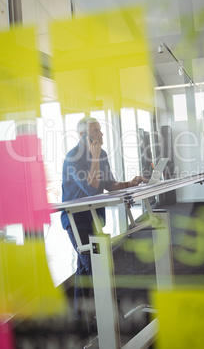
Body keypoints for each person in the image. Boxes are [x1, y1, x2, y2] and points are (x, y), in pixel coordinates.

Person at [61, 116, 146, 327]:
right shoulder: (72, 159)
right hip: (77, 221)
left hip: (94, 218)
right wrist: (95, 157)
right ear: (83, 136)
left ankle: (79, 318)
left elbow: (109, 184)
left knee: (85, 269)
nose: (101, 134)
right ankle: (113, 315)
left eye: (100, 130)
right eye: (96, 131)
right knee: (97, 268)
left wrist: (129, 183)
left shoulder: (103, 154)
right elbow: (90, 189)